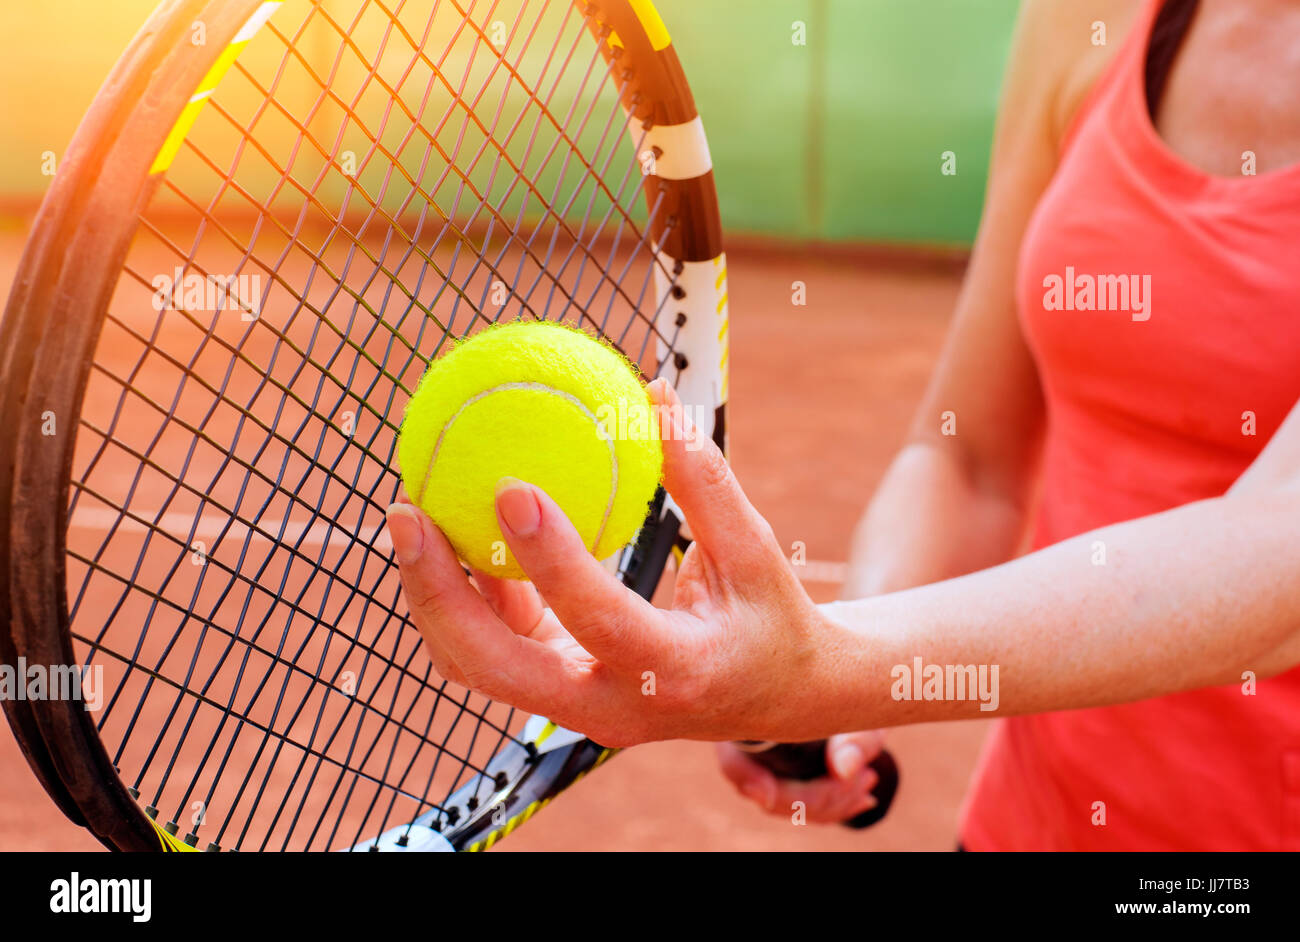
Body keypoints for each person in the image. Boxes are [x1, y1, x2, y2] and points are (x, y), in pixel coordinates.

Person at [384, 0, 1300, 851]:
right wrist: (833, 688)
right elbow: (969, 458)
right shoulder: (1093, 17)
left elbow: (1276, 559)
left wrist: (836, 667)